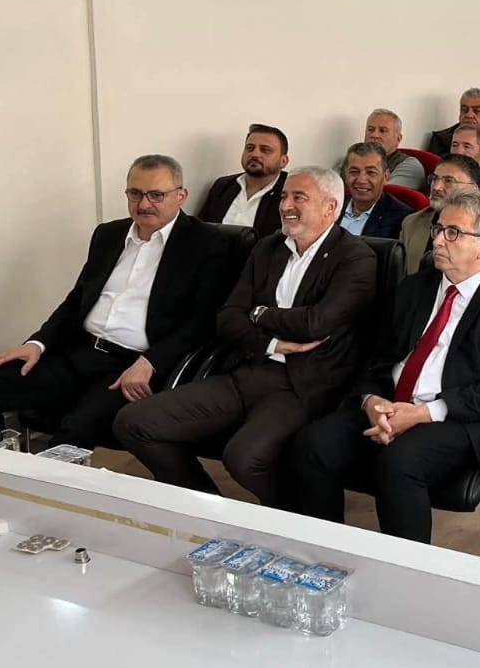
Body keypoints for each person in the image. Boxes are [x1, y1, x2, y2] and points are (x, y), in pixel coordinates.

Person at [113, 167, 377, 507]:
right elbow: (228, 317)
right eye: (284, 196)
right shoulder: (269, 248)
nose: (285, 205)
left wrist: (260, 313)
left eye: (299, 197)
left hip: (302, 386)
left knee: (244, 458)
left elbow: (316, 323)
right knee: (134, 422)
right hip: (247, 368)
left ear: (330, 207)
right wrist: (270, 341)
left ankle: (294, 520)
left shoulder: (355, 257)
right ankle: (208, 507)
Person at [286, 190, 480, 543]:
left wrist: (421, 414)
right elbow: (375, 356)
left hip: (456, 417)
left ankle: (408, 566)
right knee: (312, 445)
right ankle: (326, 549)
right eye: (438, 230)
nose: (438, 240)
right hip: (389, 403)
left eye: (453, 233)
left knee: (398, 463)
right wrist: (371, 401)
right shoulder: (416, 287)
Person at [0, 155, 228, 448]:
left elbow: (202, 323)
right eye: (135, 193)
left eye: (156, 195)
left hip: (131, 365)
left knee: (74, 433)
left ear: (181, 195)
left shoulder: (207, 243)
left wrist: (151, 362)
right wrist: (38, 343)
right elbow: (77, 300)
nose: (144, 204)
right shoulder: (108, 234)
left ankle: (46, 480)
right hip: (77, 352)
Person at [399, 155, 480, 273]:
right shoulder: (412, 222)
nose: (436, 187)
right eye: (434, 179)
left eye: (448, 181)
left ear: (473, 189)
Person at [197, 123, 290, 237]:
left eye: (265, 150)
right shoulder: (224, 186)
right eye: (250, 148)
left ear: (283, 161)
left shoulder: (291, 193)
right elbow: (200, 229)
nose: (255, 154)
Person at [338, 143, 413, 239]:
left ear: (386, 176)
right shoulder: (333, 206)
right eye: (354, 172)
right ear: (345, 175)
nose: (361, 180)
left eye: (371, 173)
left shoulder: (402, 219)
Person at [339, 109, 425, 189]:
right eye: (370, 130)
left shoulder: (409, 165)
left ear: (398, 139)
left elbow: (384, 193)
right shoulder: (351, 159)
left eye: (383, 131)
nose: (374, 135)